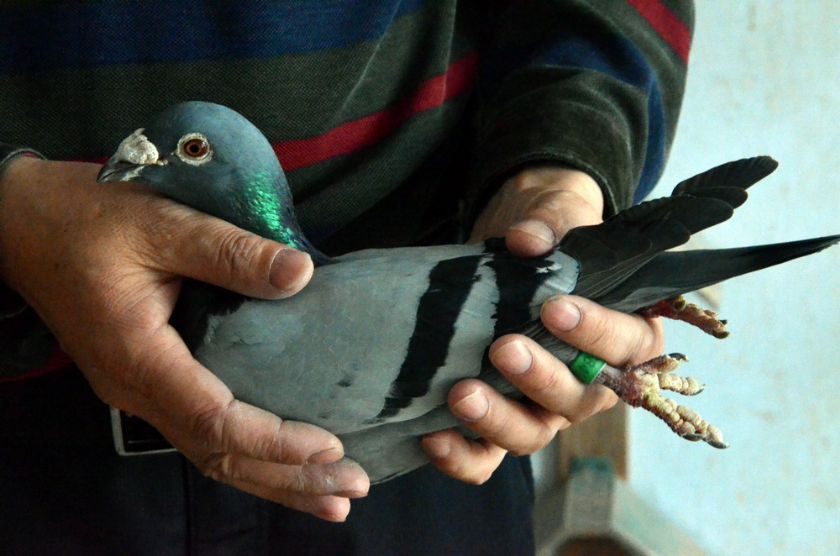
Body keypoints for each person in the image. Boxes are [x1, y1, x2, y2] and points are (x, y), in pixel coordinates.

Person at [0, 2, 693, 554]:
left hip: (423, 447)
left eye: (190, 151)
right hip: (32, 425)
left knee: (529, 344)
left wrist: (560, 165)